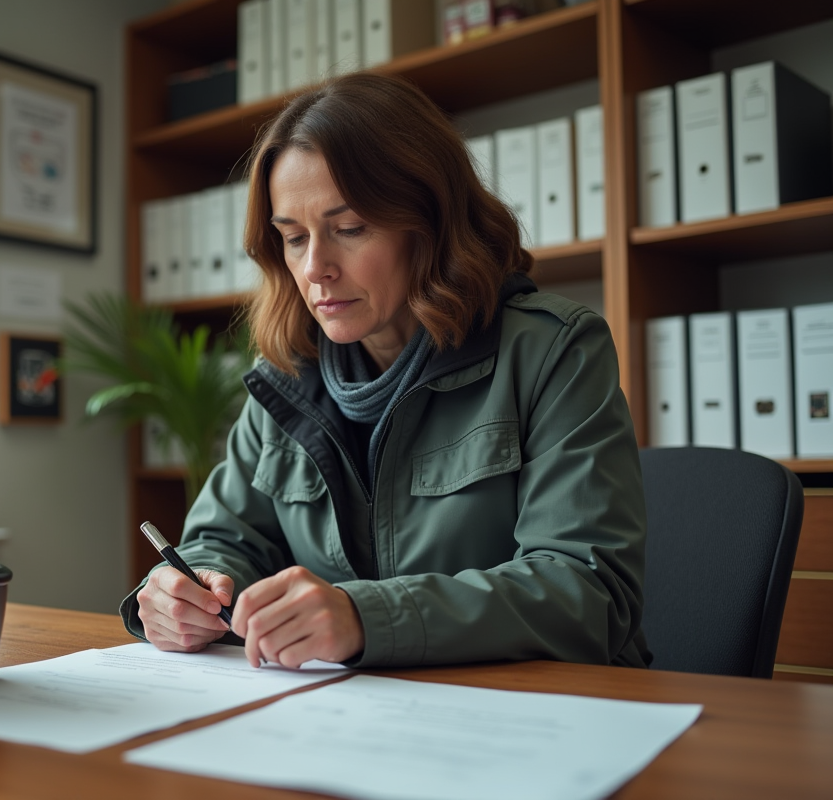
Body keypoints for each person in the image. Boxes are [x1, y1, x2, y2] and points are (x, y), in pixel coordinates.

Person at [120, 72, 650, 671]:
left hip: (538, 719)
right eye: (293, 238)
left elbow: (589, 594)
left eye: (350, 229)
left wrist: (366, 617)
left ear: (430, 224)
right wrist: (186, 593)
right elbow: (223, 541)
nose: (316, 267)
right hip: (351, 719)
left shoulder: (553, 351)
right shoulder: (285, 379)